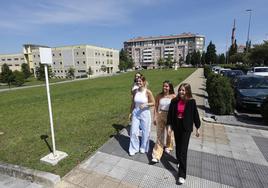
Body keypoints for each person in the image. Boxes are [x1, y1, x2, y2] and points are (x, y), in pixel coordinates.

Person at [167, 83, 200, 185]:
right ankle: (179, 161)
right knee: (178, 147)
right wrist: (169, 126)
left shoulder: (191, 102)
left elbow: (195, 115)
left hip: (186, 128)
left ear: (187, 91)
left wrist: (197, 127)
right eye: (180, 90)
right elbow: (170, 115)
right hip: (177, 127)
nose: (181, 92)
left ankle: (182, 174)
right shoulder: (174, 101)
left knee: (183, 150)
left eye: (183, 90)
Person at [129, 75, 155, 156]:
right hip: (136, 113)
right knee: (133, 131)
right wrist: (130, 113)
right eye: (137, 81)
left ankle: (143, 147)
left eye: (140, 81)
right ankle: (134, 148)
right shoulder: (135, 91)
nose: (138, 82)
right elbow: (133, 103)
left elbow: (153, 103)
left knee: (145, 131)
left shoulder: (148, 92)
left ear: (143, 82)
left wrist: (146, 104)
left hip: (145, 113)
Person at [151, 80, 176, 163]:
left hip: (170, 116)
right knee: (159, 135)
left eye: (166, 86)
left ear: (170, 87)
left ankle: (169, 146)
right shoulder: (159, 95)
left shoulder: (173, 96)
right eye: (164, 86)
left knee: (169, 133)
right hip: (161, 114)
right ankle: (156, 155)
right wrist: (155, 117)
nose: (164, 87)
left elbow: (176, 108)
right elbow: (156, 106)